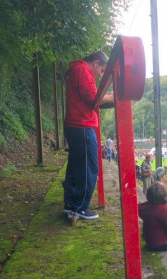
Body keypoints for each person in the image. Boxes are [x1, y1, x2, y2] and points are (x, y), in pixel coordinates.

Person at [63, 51, 113, 220]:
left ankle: (70, 205)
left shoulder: (76, 69)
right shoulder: (83, 70)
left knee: (75, 167)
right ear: (96, 63)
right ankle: (80, 207)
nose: (100, 76)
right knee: (88, 167)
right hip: (82, 126)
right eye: (101, 71)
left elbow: (89, 99)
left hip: (74, 125)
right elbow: (93, 97)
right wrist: (112, 97)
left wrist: (107, 100)